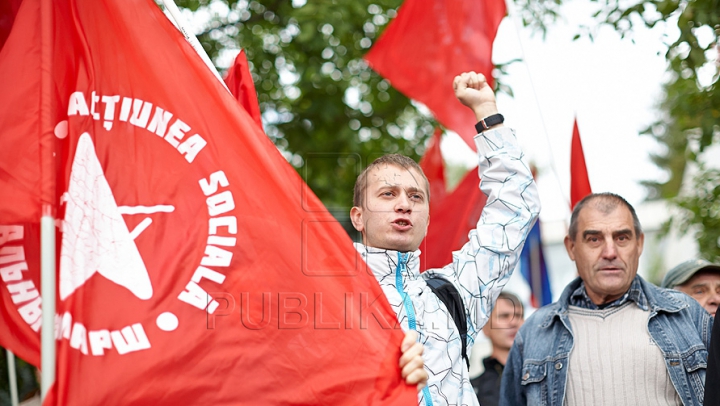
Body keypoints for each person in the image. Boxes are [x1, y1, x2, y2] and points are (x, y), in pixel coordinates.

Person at [350, 71, 540, 406]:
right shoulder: (332, 297)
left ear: (426, 219)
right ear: (358, 217)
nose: (403, 204)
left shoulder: (454, 293)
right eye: (387, 194)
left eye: (415, 197)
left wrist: (486, 112)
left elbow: (516, 209)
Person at [500, 193, 713, 406]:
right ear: (571, 247)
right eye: (594, 239)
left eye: (622, 238)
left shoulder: (687, 314)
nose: (610, 252)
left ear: (639, 244)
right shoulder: (534, 332)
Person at [471, 292, 524, 406]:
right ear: (486, 328)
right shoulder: (471, 392)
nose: (514, 322)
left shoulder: (543, 378)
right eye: (504, 316)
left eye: (519, 316)